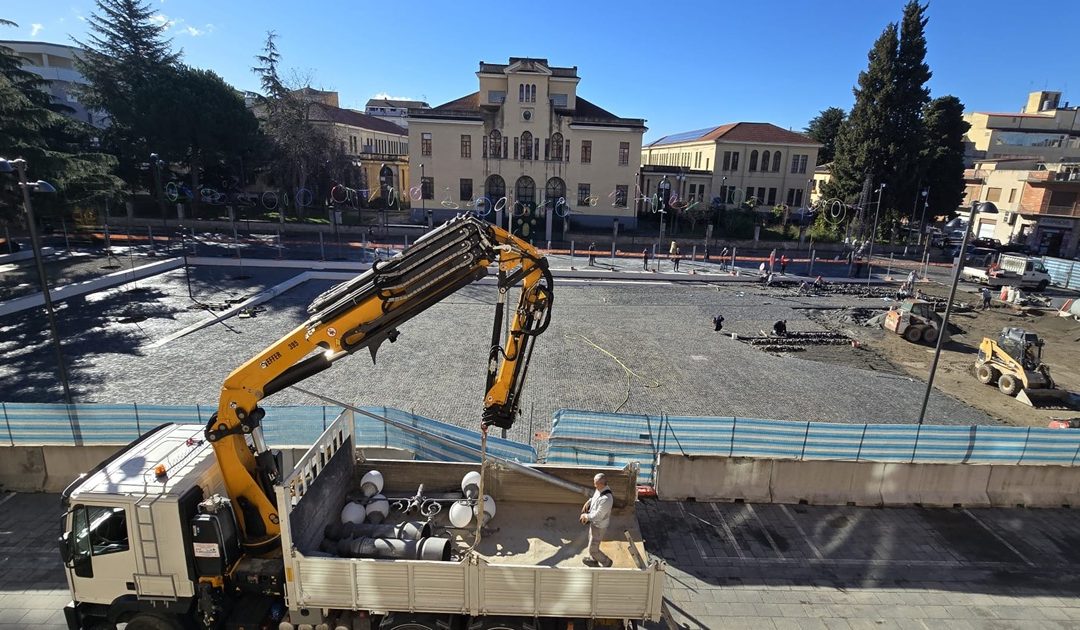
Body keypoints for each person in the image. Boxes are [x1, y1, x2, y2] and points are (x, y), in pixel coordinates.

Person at [580, 473, 613, 567]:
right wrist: (589, 502)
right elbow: (595, 497)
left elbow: (598, 516)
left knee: (593, 550)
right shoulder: (600, 489)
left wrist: (586, 516)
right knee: (591, 540)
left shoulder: (606, 499)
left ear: (601, 484)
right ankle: (593, 560)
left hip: (599, 527)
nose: (594, 485)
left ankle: (606, 562)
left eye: (595, 483)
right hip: (594, 524)